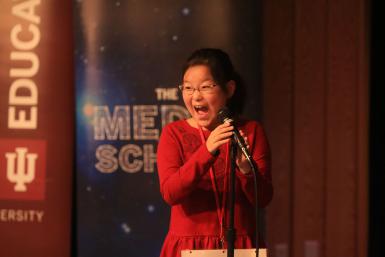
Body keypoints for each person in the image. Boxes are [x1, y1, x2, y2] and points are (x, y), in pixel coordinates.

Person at [157, 48, 273, 257]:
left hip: (241, 247)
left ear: (228, 89)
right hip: (188, 248)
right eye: (188, 88)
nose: (195, 96)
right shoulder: (173, 133)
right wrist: (207, 150)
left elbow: (263, 199)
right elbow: (170, 193)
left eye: (205, 87)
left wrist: (246, 169)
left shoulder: (251, 131)